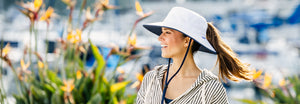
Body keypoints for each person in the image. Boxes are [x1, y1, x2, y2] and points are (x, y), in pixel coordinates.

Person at [136, 7, 252, 104]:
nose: (160, 38)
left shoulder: (211, 88)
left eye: (167, 32)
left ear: (187, 41)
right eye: (162, 32)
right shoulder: (151, 79)